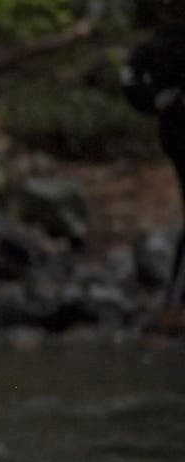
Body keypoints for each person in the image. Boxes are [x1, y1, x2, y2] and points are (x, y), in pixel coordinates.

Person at [122, 19, 185, 326]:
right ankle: (175, 307)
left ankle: (174, 305)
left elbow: (132, 81)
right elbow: (133, 81)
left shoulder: (164, 40)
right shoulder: (170, 43)